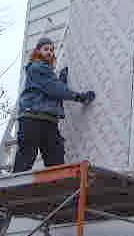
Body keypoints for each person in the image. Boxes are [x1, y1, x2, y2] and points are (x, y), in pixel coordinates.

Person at [13, 37, 96, 173]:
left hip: (48, 120)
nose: (50, 52)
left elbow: (53, 89)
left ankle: (59, 191)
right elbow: (54, 88)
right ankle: (13, 191)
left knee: (55, 158)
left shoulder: (48, 72)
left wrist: (61, 81)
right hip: (32, 119)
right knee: (26, 157)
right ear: (38, 51)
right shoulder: (36, 68)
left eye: (52, 50)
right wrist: (79, 96)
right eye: (46, 49)